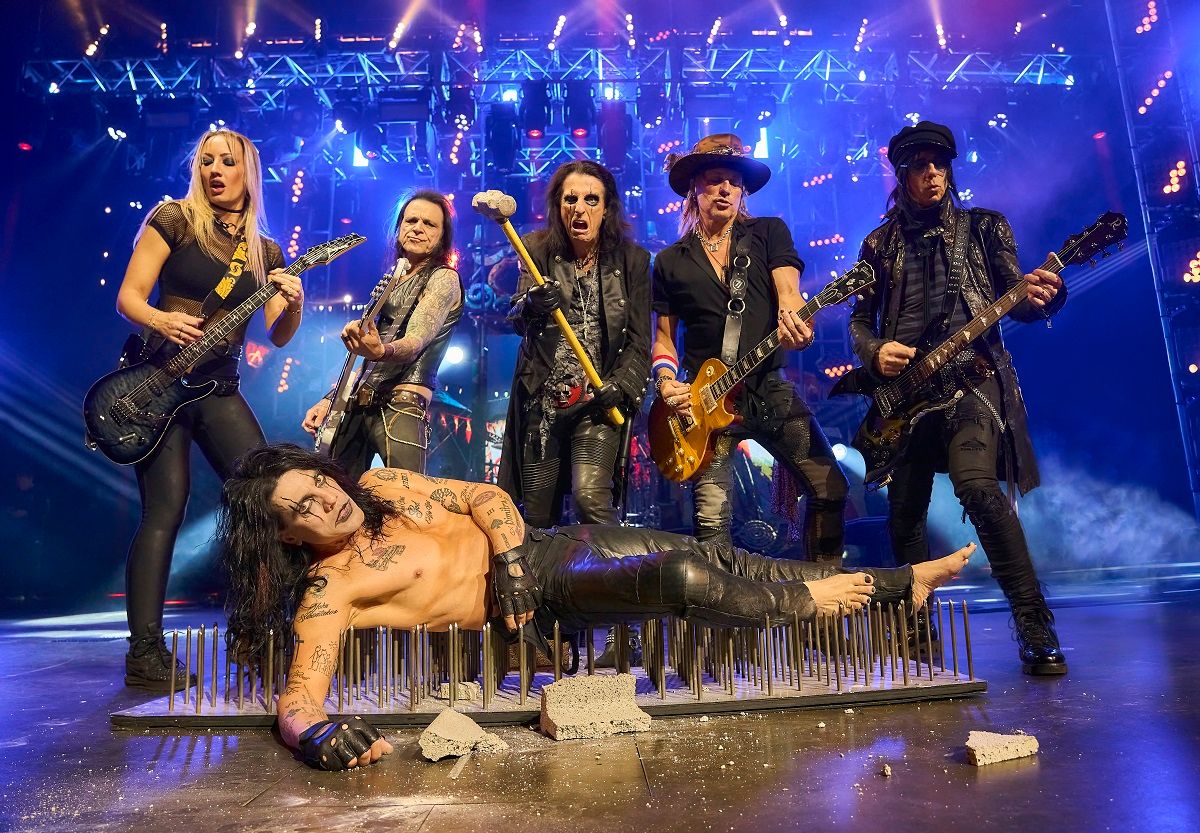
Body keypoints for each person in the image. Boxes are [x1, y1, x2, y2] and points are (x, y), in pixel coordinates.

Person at [217, 443, 973, 771]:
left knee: (723, 560)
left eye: (317, 483)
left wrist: (511, 559)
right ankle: (809, 601)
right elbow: (298, 699)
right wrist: (316, 736)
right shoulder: (331, 588)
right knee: (682, 573)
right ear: (284, 536)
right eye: (302, 508)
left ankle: (899, 582)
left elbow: (486, 496)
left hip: (546, 551)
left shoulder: (383, 486)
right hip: (548, 596)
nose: (326, 500)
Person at [847, 120, 1067, 675]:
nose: (933, 174)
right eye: (921, 166)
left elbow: (1017, 298)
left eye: (940, 165)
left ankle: (1034, 623)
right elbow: (859, 320)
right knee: (904, 512)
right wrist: (875, 352)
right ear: (902, 175)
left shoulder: (985, 228)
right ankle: (915, 627)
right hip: (904, 394)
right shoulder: (879, 244)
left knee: (977, 487)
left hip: (973, 379)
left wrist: (1045, 295)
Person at [114, 129, 305, 691]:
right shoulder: (173, 220)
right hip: (161, 380)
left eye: (227, 161)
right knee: (164, 510)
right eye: (205, 161)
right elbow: (128, 296)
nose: (215, 170)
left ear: (249, 172)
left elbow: (278, 334)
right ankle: (145, 652)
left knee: (268, 497)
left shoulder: (266, 252)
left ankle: (258, 633)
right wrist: (160, 318)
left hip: (218, 387)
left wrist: (295, 303)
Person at [651, 133, 848, 560]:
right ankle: (719, 603)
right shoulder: (670, 261)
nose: (725, 189)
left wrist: (797, 323)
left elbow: (789, 293)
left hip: (766, 388)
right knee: (711, 523)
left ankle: (826, 590)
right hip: (704, 401)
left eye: (734, 182)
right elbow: (664, 338)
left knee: (830, 486)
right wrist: (665, 381)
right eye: (715, 180)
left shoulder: (767, 233)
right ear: (695, 188)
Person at [498, 160, 651, 529]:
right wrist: (533, 304)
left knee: (590, 498)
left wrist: (622, 387)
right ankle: (548, 571)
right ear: (558, 206)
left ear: (607, 208)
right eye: (570, 199)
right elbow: (516, 319)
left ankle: (615, 567)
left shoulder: (633, 260)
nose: (579, 208)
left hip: (597, 402)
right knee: (537, 518)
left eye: (591, 199)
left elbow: (640, 341)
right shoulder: (536, 249)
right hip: (544, 403)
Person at [302, 190, 463, 478]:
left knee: (405, 496)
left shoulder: (443, 278)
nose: (418, 228)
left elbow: (414, 342)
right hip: (357, 401)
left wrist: (380, 351)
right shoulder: (393, 277)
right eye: (411, 220)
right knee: (335, 490)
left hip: (401, 403)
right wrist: (330, 398)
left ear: (442, 237)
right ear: (399, 228)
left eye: (429, 224)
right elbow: (365, 359)